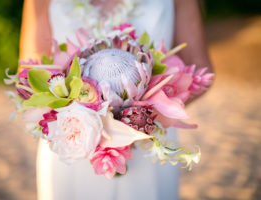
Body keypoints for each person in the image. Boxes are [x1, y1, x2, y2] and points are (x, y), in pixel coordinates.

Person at [19, 0, 213, 199]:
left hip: (148, 145)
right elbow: (28, 73)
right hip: (71, 140)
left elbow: (200, 68)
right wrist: (84, 122)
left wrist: (142, 120)